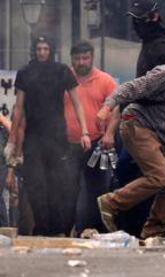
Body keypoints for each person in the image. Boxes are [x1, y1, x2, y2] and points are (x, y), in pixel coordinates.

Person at [96, 35, 165, 239]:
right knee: (159, 176)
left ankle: (153, 231)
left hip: (162, 135)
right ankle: (111, 202)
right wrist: (106, 107)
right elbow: (130, 88)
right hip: (138, 124)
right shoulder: (164, 74)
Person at [5, 36, 90, 236]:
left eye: (45, 48)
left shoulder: (62, 71)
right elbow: (18, 108)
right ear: (34, 50)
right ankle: (42, 227)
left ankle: (57, 229)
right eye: (39, 48)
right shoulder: (25, 73)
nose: (42, 52)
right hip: (33, 138)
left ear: (51, 50)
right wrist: (12, 138)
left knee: (58, 183)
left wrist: (84, 131)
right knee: (35, 185)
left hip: (57, 137)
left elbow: (77, 103)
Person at [64, 41, 117, 235]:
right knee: (68, 189)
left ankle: (94, 230)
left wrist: (110, 134)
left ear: (92, 57)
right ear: (72, 59)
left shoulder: (105, 80)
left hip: (96, 143)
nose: (81, 62)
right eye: (77, 58)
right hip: (68, 144)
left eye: (85, 58)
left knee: (97, 190)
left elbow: (117, 108)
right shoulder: (65, 78)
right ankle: (65, 230)